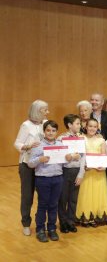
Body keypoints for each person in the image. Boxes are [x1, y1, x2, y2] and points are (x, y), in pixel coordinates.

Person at [28, 120, 72, 242]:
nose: (51, 133)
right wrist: (39, 159)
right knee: (43, 205)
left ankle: (52, 228)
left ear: (57, 132)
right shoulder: (38, 145)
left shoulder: (60, 144)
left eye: (53, 130)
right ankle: (40, 229)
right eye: (48, 130)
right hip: (43, 179)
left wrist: (68, 158)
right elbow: (30, 163)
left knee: (53, 205)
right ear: (44, 131)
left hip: (58, 178)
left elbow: (64, 161)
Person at [14, 99, 49, 236]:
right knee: (27, 196)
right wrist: (28, 146)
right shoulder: (26, 125)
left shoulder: (46, 124)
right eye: (45, 110)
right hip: (27, 165)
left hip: (42, 163)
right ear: (37, 111)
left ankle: (41, 223)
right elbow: (17, 143)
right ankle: (26, 223)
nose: (48, 112)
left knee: (44, 195)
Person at [76, 118, 107, 227]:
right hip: (86, 171)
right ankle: (85, 217)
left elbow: (104, 155)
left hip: (97, 172)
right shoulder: (81, 138)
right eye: (90, 126)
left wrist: (103, 166)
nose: (92, 128)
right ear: (86, 126)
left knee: (97, 194)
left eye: (95, 127)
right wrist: (84, 165)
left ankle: (94, 216)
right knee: (85, 194)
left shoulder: (101, 140)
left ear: (98, 128)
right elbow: (78, 155)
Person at [57, 114, 83, 234]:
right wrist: (72, 156)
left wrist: (81, 174)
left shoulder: (81, 138)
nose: (80, 125)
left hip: (77, 171)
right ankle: (62, 222)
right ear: (69, 125)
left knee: (73, 198)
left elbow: (83, 157)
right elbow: (60, 156)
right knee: (63, 198)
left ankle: (70, 221)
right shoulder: (61, 139)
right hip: (64, 171)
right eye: (77, 123)